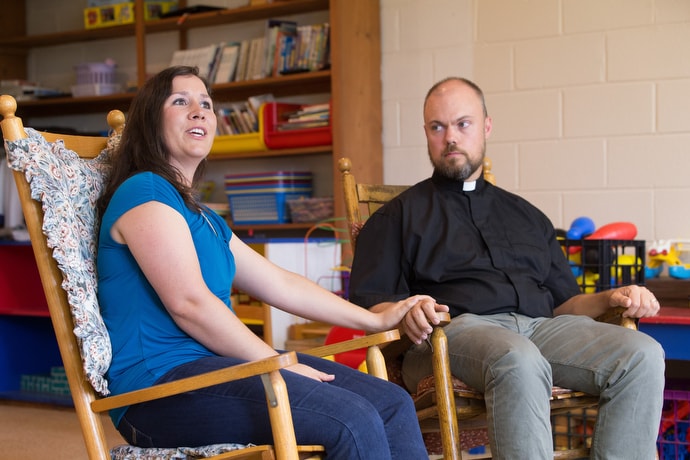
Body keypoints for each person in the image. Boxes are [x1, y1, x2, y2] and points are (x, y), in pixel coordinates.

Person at [96, 65, 432, 460]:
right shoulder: (144, 191)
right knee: (351, 417)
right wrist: (276, 363)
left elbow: (280, 283)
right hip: (157, 392)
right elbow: (189, 305)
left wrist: (374, 319)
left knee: (392, 403)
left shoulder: (204, 218)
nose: (200, 111)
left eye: (206, 103)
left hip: (216, 369)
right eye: (180, 101)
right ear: (151, 121)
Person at [348, 76, 665, 460]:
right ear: (427, 133)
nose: (450, 137)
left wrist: (611, 297)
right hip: (450, 335)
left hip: (541, 329)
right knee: (518, 358)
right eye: (438, 127)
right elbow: (371, 308)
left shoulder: (526, 215)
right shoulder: (396, 217)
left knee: (643, 355)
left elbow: (565, 304)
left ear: (486, 126)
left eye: (462, 124)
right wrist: (406, 312)